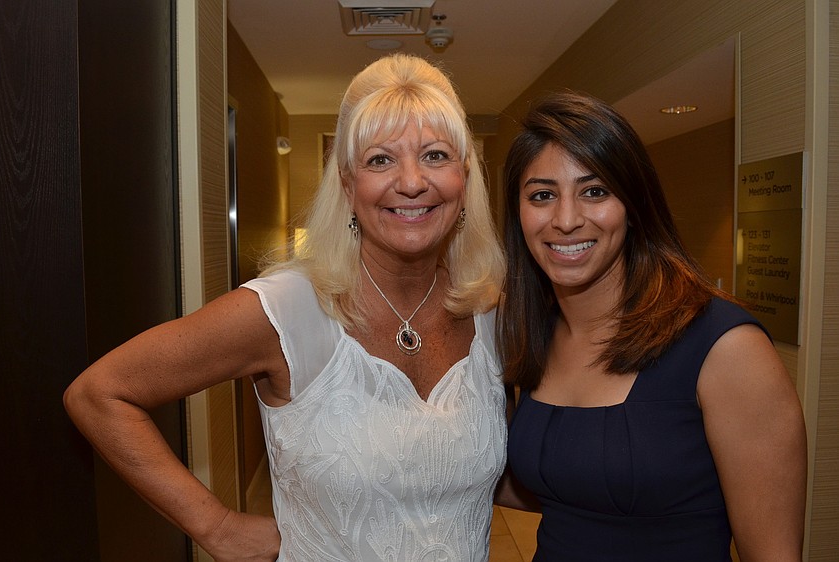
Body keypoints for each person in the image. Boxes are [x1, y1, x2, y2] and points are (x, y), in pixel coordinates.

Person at [64, 53, 506, 561]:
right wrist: (219, 528)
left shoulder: (488, 309)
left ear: (464, 177)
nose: (410, 182)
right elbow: (100, 395)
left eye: (435, 155)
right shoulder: (287, 309)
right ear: (347, 184)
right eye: (380, 159)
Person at [497, 91, 807, 561]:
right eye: (542, 195)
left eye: (595, 191)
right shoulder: (531, 334)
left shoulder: (725, 348)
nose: (566, 219)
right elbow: (567, 481)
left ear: (635, 204)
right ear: (518, 214)